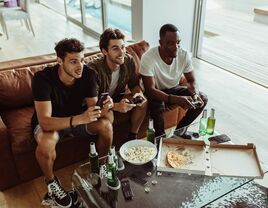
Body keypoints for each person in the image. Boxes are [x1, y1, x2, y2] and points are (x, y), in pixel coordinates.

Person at [31, 38, 113, 208]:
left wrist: (106, 108)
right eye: (73, 61)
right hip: (52, 123)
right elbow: (45, 122)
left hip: (77, 119)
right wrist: (80, 118)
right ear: (59, 61)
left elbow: (94, 112)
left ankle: (101, 168)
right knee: (46, 144)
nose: (80, 66)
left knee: (106, 126)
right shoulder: (42, 79)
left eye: (82, 60)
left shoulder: (89, 74)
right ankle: (51, 183)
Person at [140, 24, 208, 137]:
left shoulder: (184, 55)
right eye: (171, 43)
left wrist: (195, 94)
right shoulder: (148, 57)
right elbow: (150, 90)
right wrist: (177, 99)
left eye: (178, 42)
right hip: (155, 92)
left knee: (203, 98)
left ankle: (178, 132)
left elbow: (191, 80)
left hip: (173, 88)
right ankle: (160, 139)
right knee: (158, 106)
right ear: (161, 42)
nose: (176, 47)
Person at [88, 28, 147, 141]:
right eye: (115, 48)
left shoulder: (128, 60)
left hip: (116, 96)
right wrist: (116, 106)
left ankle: (132, 137)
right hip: (98, 103)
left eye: (123, 47)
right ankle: (109, 150)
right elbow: (94, 104)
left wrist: (138, 94)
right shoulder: (93, 70)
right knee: (109, 115)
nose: (122, 52)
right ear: (104, 51)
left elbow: (134, 84)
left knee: (143, 102)